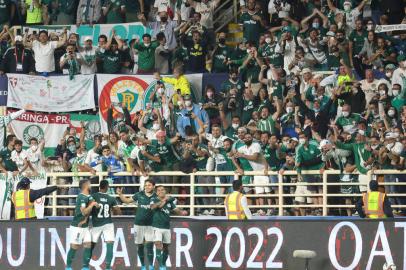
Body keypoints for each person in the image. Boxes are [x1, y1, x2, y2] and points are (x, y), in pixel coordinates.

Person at [116, 179, 157, 270]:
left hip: (150, 225)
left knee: (150, 245)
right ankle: (142, 265)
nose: (147, 187)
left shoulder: (156, 196)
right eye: (146, 185)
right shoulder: (139, 194)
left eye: (149, 185)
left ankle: (150, 266)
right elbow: (126, 201)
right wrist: (120, 194)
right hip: (138, 225)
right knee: (140, 245)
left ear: (154, 186)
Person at [151, 185, 188, 270]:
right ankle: (161, 266)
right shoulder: (153, 200)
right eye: (159, 190)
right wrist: (165, 200)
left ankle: (163, 264)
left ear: (165, 191)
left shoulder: (170, 202)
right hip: (156, 227)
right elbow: (153, 207)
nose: (161, 191)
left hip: (166, 227)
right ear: (156, 193)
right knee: (158, 245)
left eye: (162, 190)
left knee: (166, 247)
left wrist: (182, 212)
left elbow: (176, 211)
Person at [65, 179, 99, 270]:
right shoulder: (81, 197)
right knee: (74, 247)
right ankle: (68, 267)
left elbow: (95, 205)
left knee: (88, 245)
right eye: (89, 184)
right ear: (86, 186)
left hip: (85, 226)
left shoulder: (89, 196)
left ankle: (85, 267)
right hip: (77, 226)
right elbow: (84, 212)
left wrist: (96, 205)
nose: (91, 185)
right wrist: (92, 205)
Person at [90, 180, 119, 270]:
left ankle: (85, 266)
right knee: (109, 244)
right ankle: (108, 267)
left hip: (96, 223)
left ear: (99, 186)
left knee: (90, 245)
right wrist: (113, 209)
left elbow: (88, 208)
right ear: (107, 187)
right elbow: (118, 212)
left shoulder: (93, 196)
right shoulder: (111, 198)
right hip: (108, 223)